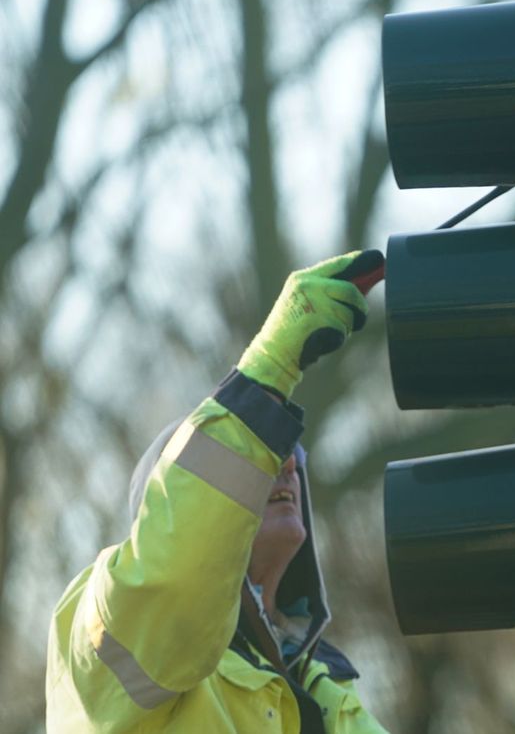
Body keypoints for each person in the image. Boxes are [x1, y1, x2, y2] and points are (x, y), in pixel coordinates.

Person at [46, 251, 390, 733]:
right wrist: (268, 371)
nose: (288, 463)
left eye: (291, 454)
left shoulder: (329, 689)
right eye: (259, 457)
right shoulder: (103, 630)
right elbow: (173, 579)